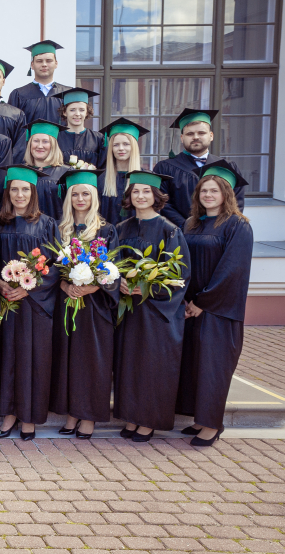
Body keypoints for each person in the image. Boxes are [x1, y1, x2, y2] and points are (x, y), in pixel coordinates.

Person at [176, 161, 253, 446]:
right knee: (194, 365)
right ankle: (199, 419)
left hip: (219, 310)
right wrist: (186, 299)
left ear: (226, 194)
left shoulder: (237, 225)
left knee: (213, 368)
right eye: (204, 190)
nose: (208, 195)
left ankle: (212, 425)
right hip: (190, 307)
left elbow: (232, 270)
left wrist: (202, 301)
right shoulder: (191, 224)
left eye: (214, 190)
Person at [114, 171, 190, 442]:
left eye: (146, 191)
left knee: (151, 365)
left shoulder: (170, 230)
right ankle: (132, 416)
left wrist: (148, 287)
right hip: (129, 309)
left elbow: (179, 275)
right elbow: (111, 265)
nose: (140, 196)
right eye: (135, 191)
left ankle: (148, 421)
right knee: (129, 364)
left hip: (156, 311)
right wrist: (119, 281)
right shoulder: (121, 228)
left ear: (156, 196)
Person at [0, 164, 60, 441]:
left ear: (33, 192)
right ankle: (8, 413)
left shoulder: (47, 224)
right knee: (7, 357)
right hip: (5, 300)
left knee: (34, 359)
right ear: (7, 193)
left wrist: (29, 289)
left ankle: (29, 416)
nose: (20, 195)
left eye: (25, 190)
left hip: (35, 305)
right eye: (15, 189)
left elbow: (56, 265)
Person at [47, 169, 118, 440]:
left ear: (94, 197)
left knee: (92, 360)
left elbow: (113, 269)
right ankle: (71, 412)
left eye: (85, 194)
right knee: (68, 359)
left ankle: (88, 416)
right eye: (75, 194)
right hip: (66, 303)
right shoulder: (59, 229)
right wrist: (65, 286)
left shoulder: (106, 230)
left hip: (95, 307)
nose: (80, 199)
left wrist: (93, 286)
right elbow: (50, 267)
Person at [153, 108, 246, 227]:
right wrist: (186, 226)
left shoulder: (228, 168)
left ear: (211, 136)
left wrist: (219, 228)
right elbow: (162, 204)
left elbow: (236, 203)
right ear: (182, 138)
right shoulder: (165, 168)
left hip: (218, 231)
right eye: (190, 134)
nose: (196, 137)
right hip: (179, 232)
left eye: (201, 133)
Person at [98, 119, 149, 226]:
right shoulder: (101, 179)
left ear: (133, 147)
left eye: (126, 144)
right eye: (116, 145)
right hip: (107, 234)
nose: (121, 148)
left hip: (137, 234)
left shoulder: (146, 178)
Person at [7, 40, 71, 124]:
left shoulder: (67, 94)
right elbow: (12, 126)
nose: (44, 64)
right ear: (32, 65)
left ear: (56, 64)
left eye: (49, 61)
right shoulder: (18, 95)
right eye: (39, 61)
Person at [23, 119, 70, 220]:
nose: (40, 146)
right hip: (28, 228)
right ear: (30, 143)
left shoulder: (66, 173)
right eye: (36, 141)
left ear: (53, 145)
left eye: (45, 141)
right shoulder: (22, 172)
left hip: (58, 227)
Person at [52, 87, 105, 168]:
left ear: (87, 112)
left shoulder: (98, 139)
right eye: (72, 110)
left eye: (82, 110)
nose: (77, 114)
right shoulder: (56, 138)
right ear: (64, 112)